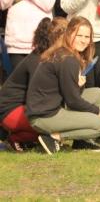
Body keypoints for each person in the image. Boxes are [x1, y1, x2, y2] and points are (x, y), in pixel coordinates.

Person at [26, 16, 100, 154]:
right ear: (70, 34)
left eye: (87, 36)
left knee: (98, 94)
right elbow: (73, 101)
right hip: (44, 116)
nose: (83, 40)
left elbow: (70, 94)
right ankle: (54, 138)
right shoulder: (68, 59)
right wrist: (98, 111)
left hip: (53, 106)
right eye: (79, 35)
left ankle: (81, 141)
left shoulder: (65, 53)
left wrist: (79, 85)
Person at [0, 16, 67, 152]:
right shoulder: (38, 61)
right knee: (53, 121)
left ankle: (16, 138)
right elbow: (38, 99)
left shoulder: (45, 56)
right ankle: (17, 137)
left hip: (19, 109)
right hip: (11, 111)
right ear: (57, 38)